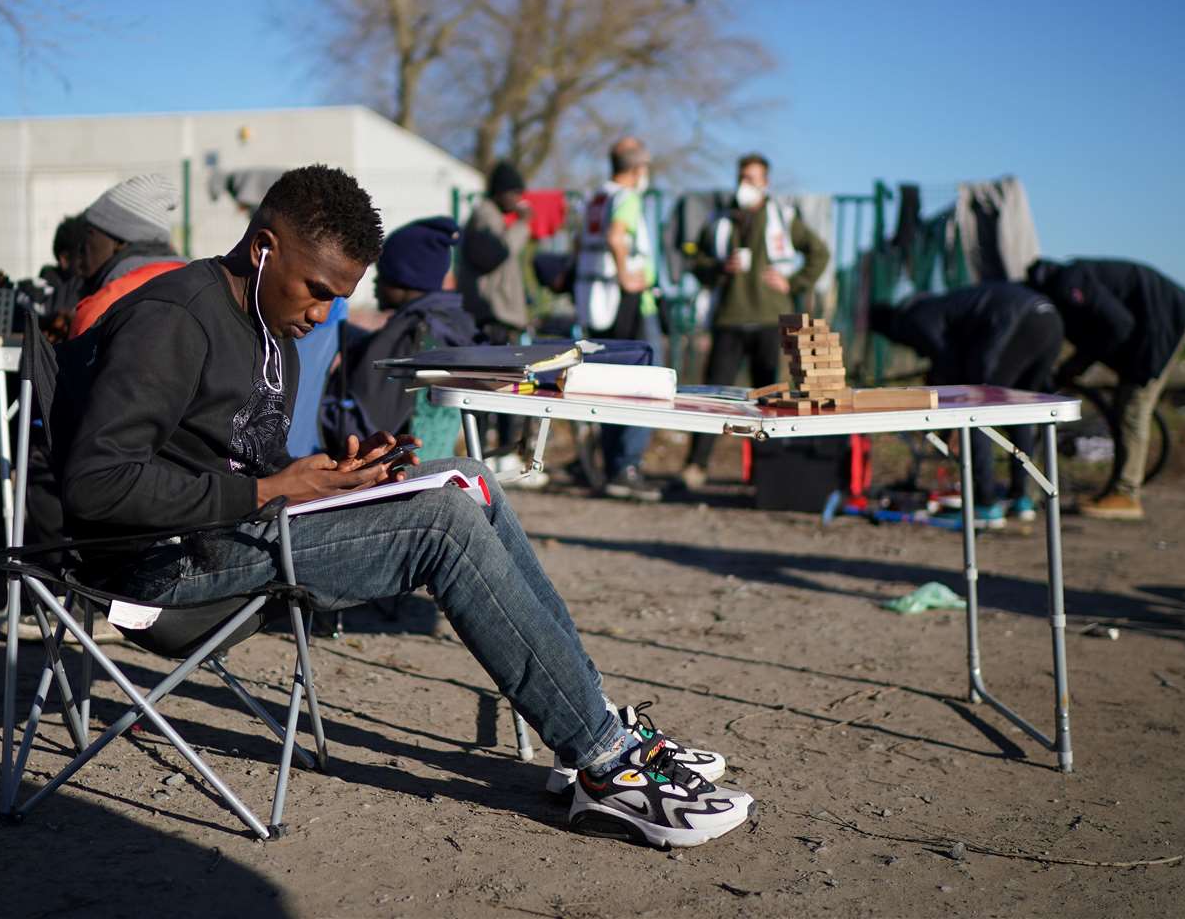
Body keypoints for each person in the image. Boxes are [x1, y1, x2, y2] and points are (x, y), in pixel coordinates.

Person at [54, 164, 753, 849]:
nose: (324, 313)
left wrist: (340, 475)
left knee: (467, 481)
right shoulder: (174, 318)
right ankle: (604, 765)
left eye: (340, 297)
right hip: (156, 571)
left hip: (232, 533)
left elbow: (233, 456)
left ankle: (594, 719)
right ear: (264, 248)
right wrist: (271, 489)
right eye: (318, 291)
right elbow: (97, 485)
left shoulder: (270, 324)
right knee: (441, 525)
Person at [682, 153, 829, 490]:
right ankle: (695, 465)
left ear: (766, 182)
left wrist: (794, 283)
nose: (747, 184)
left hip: (767, 319)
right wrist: (719, 268)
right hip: (729, 320)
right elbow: (696, 261)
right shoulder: (721, 220)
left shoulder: (783, 217)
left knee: (769, 402)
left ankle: (767, 473)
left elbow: (819, 252)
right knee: (711, 398)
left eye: (754, 178)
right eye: (743, 177)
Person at [870, 284, 1064, 526]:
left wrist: (951, 423)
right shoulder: (944, 307)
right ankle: (1020, 497)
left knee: (974, 408)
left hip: (1016, 323)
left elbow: (950, 364)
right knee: (1018, 407)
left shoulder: (914, 319)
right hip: (1049, 320)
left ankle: (985, 502)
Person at [1027, 258, 1185, 520]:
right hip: (1152, 323)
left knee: (1133, 408)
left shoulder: (1068, 283)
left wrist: (1079, 363)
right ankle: (1117, 490)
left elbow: (1119, 325)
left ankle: (1126, 494)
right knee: (1124, 405)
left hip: (1162, 323)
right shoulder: (1074, 280)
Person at [320, 216, 477, 459]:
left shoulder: (408, 333)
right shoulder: (450, 323)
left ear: (404, 279)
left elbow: (364, 431)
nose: (374, 281)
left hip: (397, 475)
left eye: (383, 274)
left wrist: (320, 406)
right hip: (436, 463)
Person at [574, 138, 664, 501]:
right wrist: (627, 274)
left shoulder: (596, 197)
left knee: (608, 383)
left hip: (597, 302)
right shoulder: (627, 198)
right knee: (647, 382)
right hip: (628, 303)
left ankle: (612, 465)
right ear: (637, 169)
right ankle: (627, 467)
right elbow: (616, 236)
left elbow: (580, 244)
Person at [459, 160, 539, 478]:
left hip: (498, 317)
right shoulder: (485, 216)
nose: (518, 200)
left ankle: (500, 454)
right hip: (492, 318)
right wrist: (523, 225)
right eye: (514, 192)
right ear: (501, 192)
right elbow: (495, 255)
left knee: (503, 391)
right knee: (495, 392)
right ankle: (491, 457)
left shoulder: (490, 217)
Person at [70, 173, 185, 337]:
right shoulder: (203, 286)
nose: (81, 246)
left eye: (89, 233)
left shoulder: (102, 311)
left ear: (120, 241)